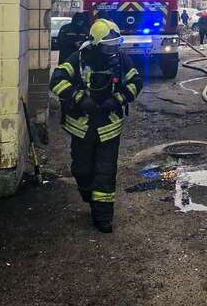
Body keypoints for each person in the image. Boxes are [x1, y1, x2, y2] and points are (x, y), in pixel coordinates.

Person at [49, 19, 143, 233]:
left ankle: (103, 218)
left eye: (116, 44)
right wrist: (80, 98)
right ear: (96, 44)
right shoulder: (79, 59)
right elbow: (57, 80)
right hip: (82, 127)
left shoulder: (121, 60)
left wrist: (118, 99)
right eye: (108, 45)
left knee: (105, 173)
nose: (113, 49)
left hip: (109, 126)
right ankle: (89, 197)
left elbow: (136, 82)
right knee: (81, 170)